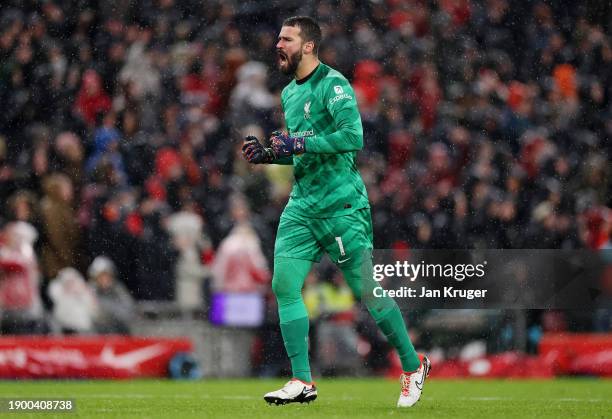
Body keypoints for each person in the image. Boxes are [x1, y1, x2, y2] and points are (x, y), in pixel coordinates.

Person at [242, 16, 430, 408]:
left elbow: (352, 137)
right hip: (302, 204)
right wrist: (270, 155)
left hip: (341, 204)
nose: (278, 44)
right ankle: (301, 380)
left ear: (308, 45)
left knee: (366, 291)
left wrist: (297, 143)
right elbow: (300, 147)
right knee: (284, 286)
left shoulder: (334, 84)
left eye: (287, 39)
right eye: (278, 37)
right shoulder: (290, 94)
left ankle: (413, 365)